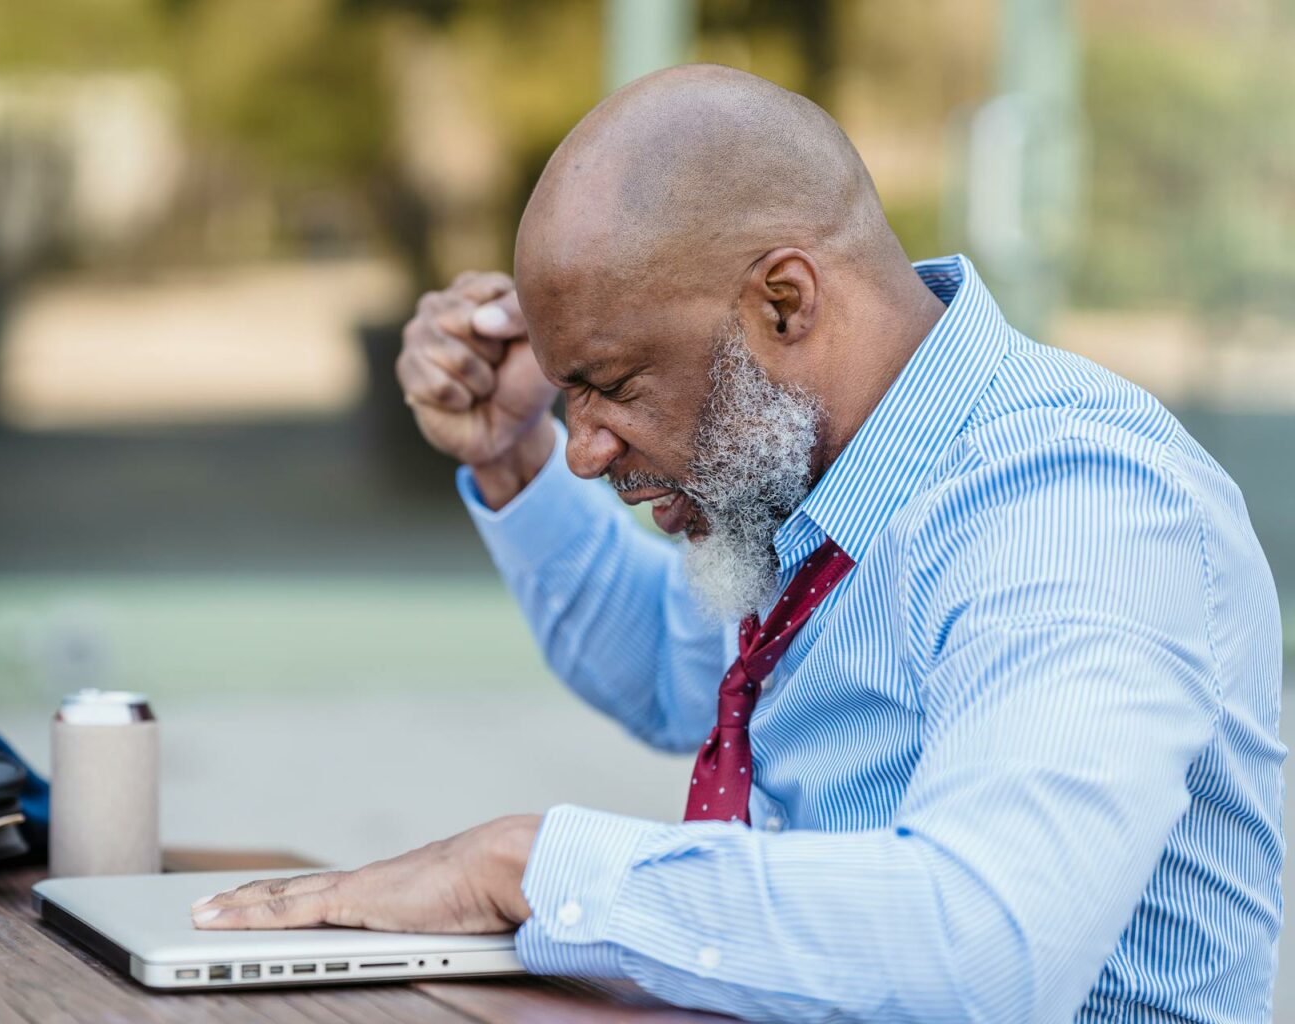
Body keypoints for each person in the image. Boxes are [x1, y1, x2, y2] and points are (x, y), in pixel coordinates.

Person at [192, 65, 1284, 1023]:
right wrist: (508, 455)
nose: (586, 450)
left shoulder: (1078, 507)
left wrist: (525, 866)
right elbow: (677, 673)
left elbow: (987, 946)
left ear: (784, 302)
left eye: (611, 386)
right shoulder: (811, 476)